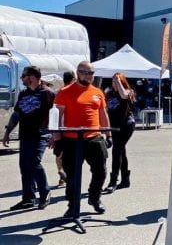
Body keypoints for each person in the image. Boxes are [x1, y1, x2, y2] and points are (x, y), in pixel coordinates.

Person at [54, 61, 112, 216]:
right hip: (71, 140)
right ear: (77, 73)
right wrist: (57, 139)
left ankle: (94, 198)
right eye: (85, 72)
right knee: (72, 175)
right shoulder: (64, 92)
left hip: (93, 138)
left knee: (100, 171)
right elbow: (57, 117)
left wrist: (108, 134)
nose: (89, 76)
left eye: (91, 73)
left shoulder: (97, 92)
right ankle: (72, 205)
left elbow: (103, 114)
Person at [2, 66, 55, 210]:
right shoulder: (24, 94)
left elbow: (56, 114)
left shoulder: (47, 93)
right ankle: (28, 198)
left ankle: (45, 192)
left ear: (32, 77)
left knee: (34, 162)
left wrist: (54, 134)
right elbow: (17, 114)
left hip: (41, 134)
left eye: (23, 76)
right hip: (25, 135)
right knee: (25, 166)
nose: (21, 79)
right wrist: (7, 132)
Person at [103, 72, 136, 193]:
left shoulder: (128, 91)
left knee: (117, 150)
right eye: (112, 81)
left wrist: (118, 82)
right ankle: (125, 179)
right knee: (121, 150)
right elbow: (105, 109)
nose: (114, 83)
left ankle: (113, 182)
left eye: (116, 81)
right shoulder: (109, 93)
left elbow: (123, 96)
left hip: (126, 125)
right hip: (114, 126)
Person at [54, 70, 75, 188]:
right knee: (69, 155)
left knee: (58, 153)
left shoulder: (58, 92)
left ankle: (61, 174)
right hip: (69, 128)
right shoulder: (71, 93)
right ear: (73, 79)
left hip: (58, 128)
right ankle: (65, 174)